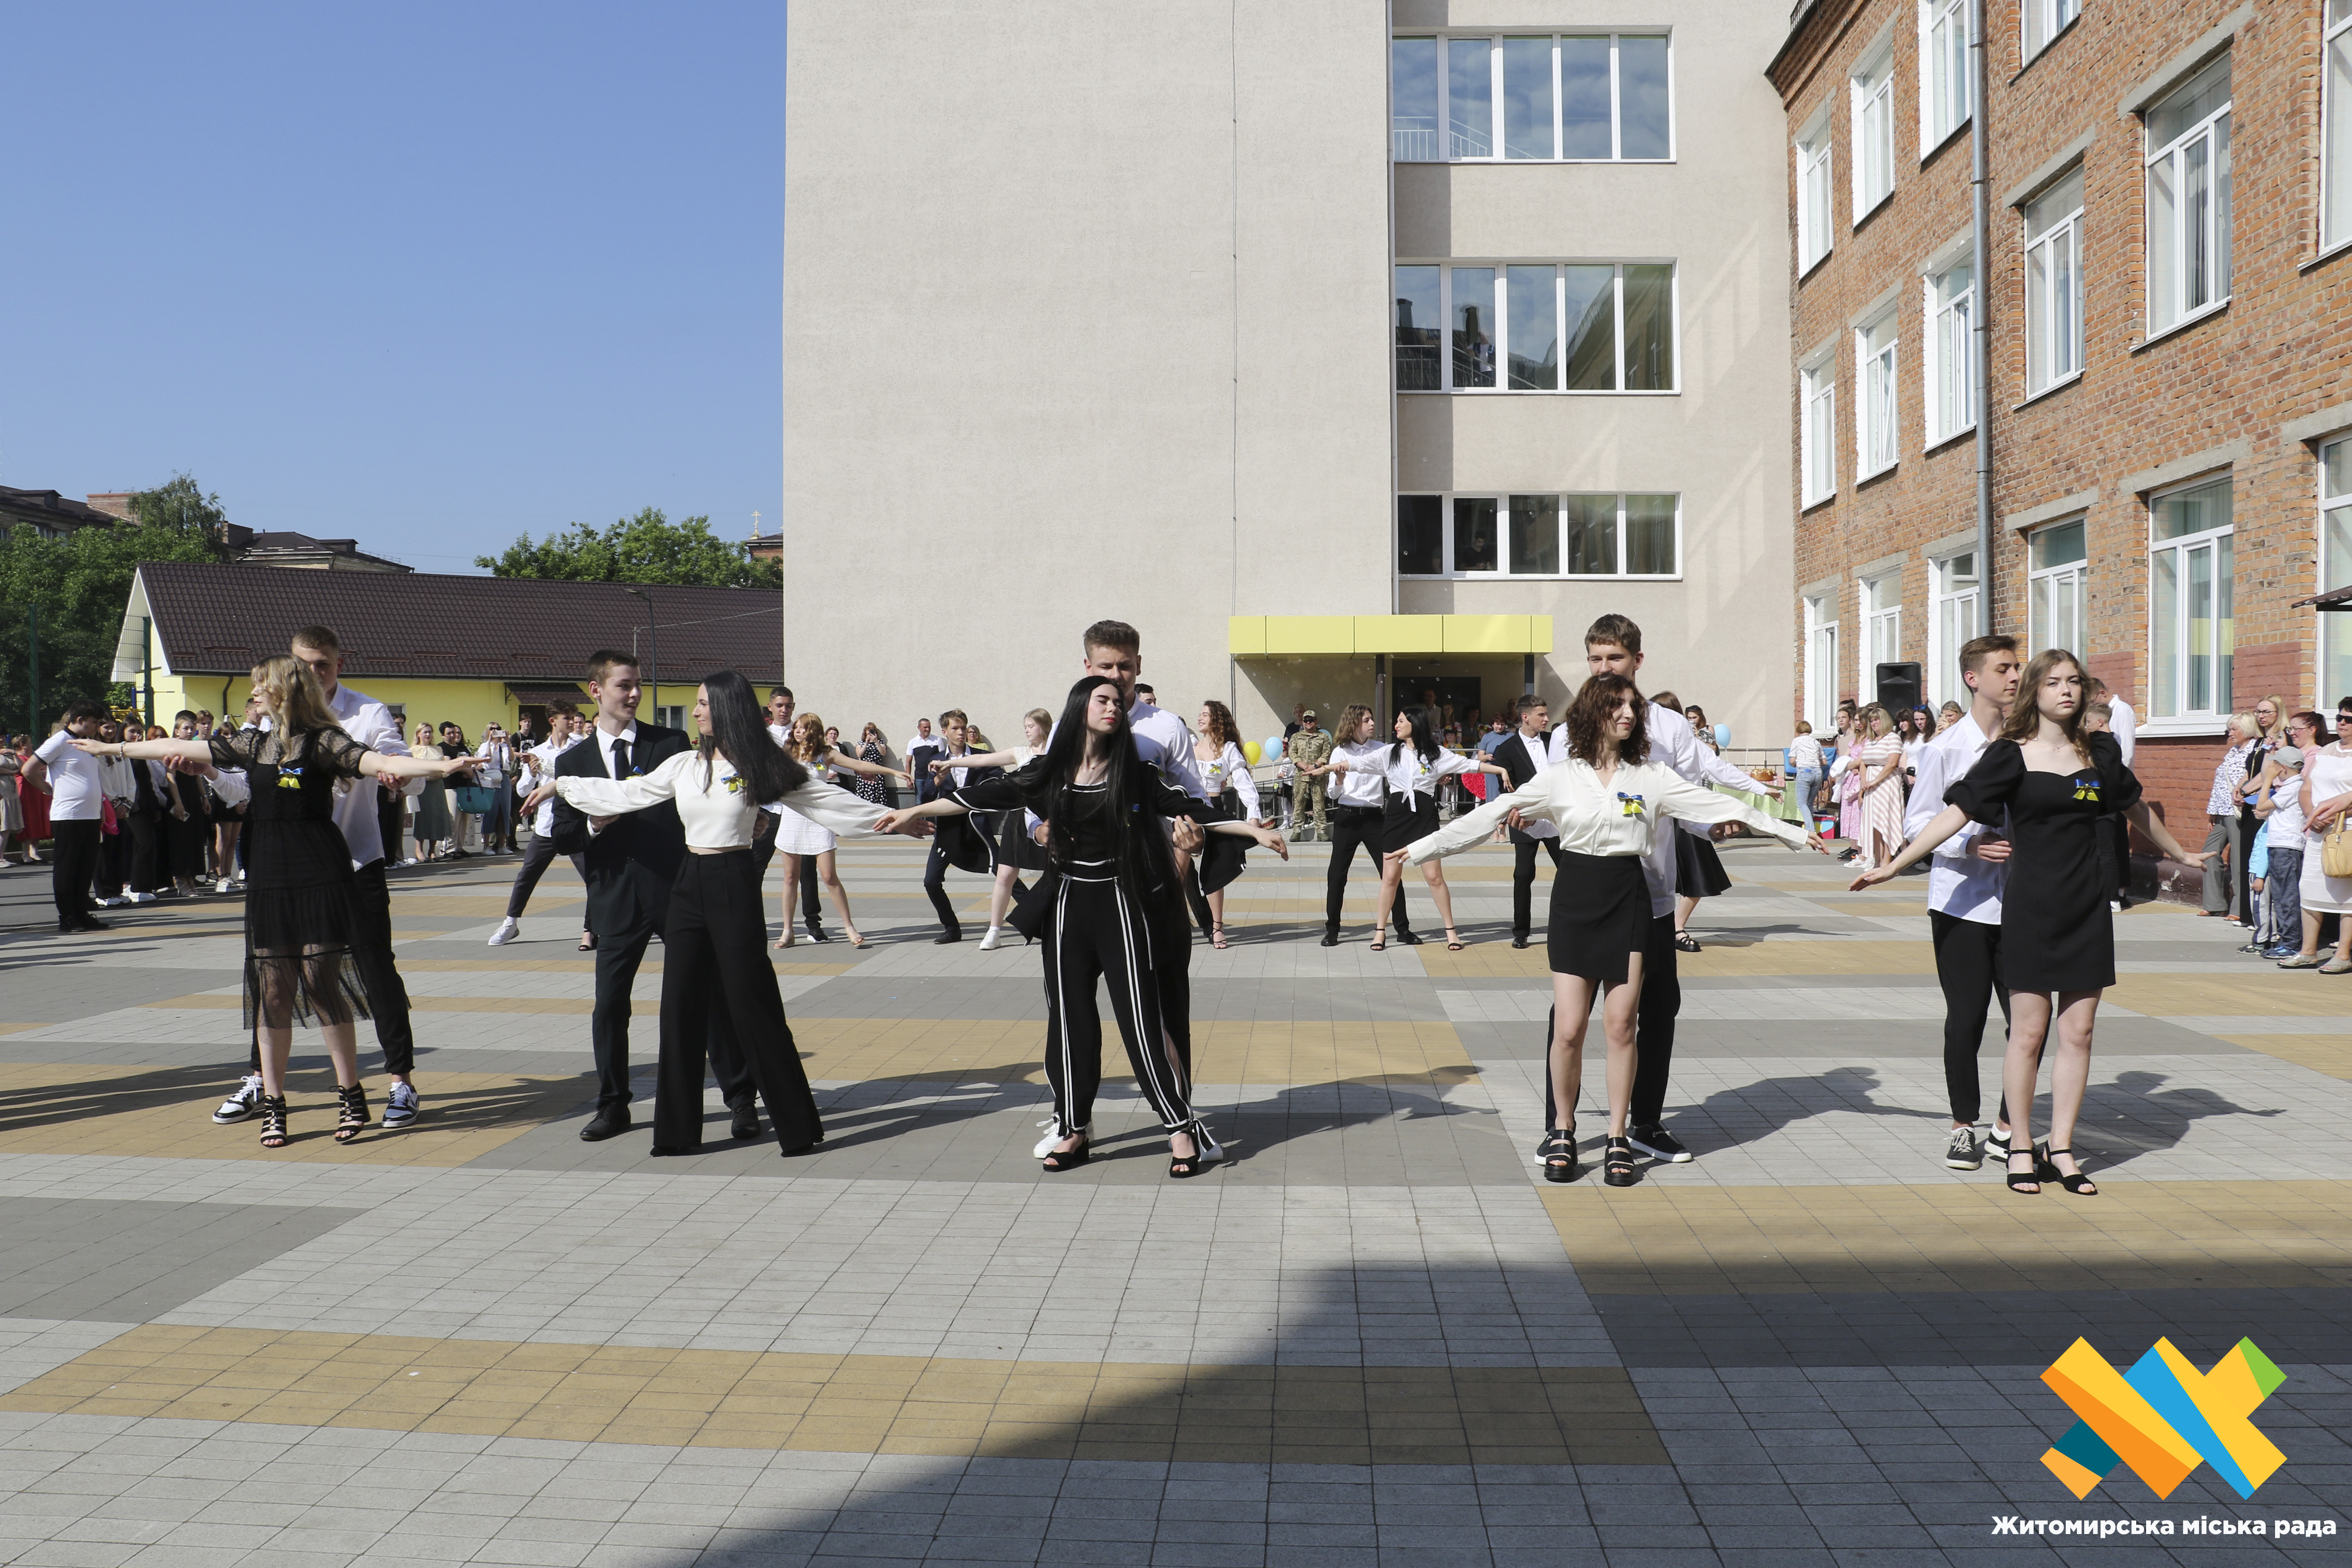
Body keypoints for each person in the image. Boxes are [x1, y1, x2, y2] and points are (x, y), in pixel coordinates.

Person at [1416, 673, 1822, 1186]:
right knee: (1568, 1029)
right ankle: (1562, 1129)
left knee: (1620, 1027)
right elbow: (1496, 811)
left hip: (1629, 897)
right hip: (1576, 897)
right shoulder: (1561, 775)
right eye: (1618, 706)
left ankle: (1616, 1136)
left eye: (1633, 706)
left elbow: (1723, 806)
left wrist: (1792, 833)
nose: (1629, 713)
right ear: (1593, 714)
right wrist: (1423, 849)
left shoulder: (1652, 776)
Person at [875, 675, 1284, 1177]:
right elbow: (986, 795)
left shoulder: (1134, 771)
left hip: (1121, 902)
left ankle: (1180, 1130)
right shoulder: (1052, 768)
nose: (1115, 707)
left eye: (1119, 701)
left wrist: (1251, 832)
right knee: (1071, 1022)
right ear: (1080, 709)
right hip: (1068, 905)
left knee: (1140, 1021)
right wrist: (914, 809)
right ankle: (1072, 1128)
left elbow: (1192, 808)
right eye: (1104, 700)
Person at [1852, 649, 2211, 1196]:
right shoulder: (2009, 755)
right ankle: (2021, 1145)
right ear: (2035, 693)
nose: (2067, 691)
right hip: (2030, 907)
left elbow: (2134, 807)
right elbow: (1955, 814)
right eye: (2054, 683)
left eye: (2075, 682)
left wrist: (2180, 853)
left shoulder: (2099, 752)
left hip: (2087, 905)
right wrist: (1895, 865)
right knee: (2028, 1034)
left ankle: (2061, 1148)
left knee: (2080, 1032)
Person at [98, 658, 477, 1146]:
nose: (253, 695)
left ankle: (351, 1093)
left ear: (282, 692)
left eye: (260, 687)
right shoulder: (253, 742)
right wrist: (110, 747)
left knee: (321, 984)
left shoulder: (325, 741)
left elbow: (383, 763)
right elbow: (175, 745)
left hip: (321, 869)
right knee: (272, 989)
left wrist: (442, 764)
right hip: (270, 875)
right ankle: (274, 1102)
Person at [533, 672, 903, 1156]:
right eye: (697, 704)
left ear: (727, 708)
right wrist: (563, 785)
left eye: (705, 703)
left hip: (733, 883)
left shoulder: (760, 764)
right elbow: (629, 795)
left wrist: (899, 821)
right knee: (680, 1008)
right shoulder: (683, 763)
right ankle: (678, 1136)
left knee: (753, 1005)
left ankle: (794, 1127)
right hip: (686, 885)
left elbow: (823, 800)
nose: (697, 711)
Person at [553, 652, 773, 1143]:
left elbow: (717, 799)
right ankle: (613, 1105)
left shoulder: (671, 744)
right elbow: (564, 835)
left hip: (680, 892)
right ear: (596, 692)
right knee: (610, 1006)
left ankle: (741, 1100)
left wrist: (751, 820)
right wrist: (593, 822)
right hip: (615, 900)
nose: (633, 695)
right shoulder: (573, 762)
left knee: (715, 999)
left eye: (637, 686)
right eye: (623, 686)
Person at [1905, 634, 2023, 1172]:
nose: (2015, 677)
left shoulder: (2032, 743)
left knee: (2026, 1021)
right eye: (2003, 668)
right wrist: (1967, 842)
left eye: (2019, 667)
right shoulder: (1943, 749)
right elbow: (1916, 823)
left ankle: (2006, 1126)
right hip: (1962, 904)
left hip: (2023, 903)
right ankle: (1962, 1126)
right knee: (1967, 1019)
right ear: (1974, 678)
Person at [1316, 705, 1509, 951]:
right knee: (1388, 878)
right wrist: (1326, 768)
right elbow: (1354, 763)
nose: (1395, 726)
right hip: (1394, 816)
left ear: (1414, 724)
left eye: (1400, 721)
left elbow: (1469, 766)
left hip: (1424, 815)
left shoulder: (1436, 753)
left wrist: (1500, 770)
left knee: (1434, 877)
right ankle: (1379, 933)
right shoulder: (1389, 752)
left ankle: (1450, 932)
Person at [1310, 705, 1417, 947]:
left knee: (1391, 873)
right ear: (1354, 723)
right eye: (1367, 720)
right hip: (1347, 818)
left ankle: (1402, 929)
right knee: (1336, 875)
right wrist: (1338, 781)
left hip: (1375, 818)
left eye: (1372, 719)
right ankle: (1332, 929)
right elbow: (1333, 795)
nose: (1372, 724)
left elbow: (1407, 770)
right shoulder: (1340, 752)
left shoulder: (1382, 750)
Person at [488, 700, 592, 949]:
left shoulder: (582, 748)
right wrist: (533, 773)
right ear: (553, 721)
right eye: (566, 718)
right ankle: (511, 923)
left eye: (573, 718)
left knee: (593, 878)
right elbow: (524, 790)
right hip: (547, 826)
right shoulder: (540, 751)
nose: (572, 722)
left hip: (575, 823)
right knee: (527, 876)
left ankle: (591, 930)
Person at [950, 708, 1054, 949]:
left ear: (1044, 727)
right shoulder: (1021, 753)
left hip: (1050, 821)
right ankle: (994, 931)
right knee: (1005, 875)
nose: (1027, 730)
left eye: (1031, 725)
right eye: (1025, 725)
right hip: (1020, 819)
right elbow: (981, 760)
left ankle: (1054, 926)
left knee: (1057, 875)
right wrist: (949, 762)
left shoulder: (1059, 753)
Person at [774, 712, 879, 948]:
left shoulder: (826, 753)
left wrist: (893, 772)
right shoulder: (786, 752)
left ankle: (850, 927)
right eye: (796, 728)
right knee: (790, 877)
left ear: (813, 730)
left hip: (819, 818)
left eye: (802, 728)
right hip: (793, 817)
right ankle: (788, 931)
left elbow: (858, 764)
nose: (797, 731)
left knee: (829, 876)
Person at [24, 702, 110, 931]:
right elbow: (29, 769)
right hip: (69, 815)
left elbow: (92, 778)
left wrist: (100, 808)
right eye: (94, 722)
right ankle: (67, 916)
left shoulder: (88, 745)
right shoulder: (59, 741)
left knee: (85, 867)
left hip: (90, 814)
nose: (97, 727)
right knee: (67, 867)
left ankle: (82, 913)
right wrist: (47, 789)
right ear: (80, 720)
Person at [1489, 695, 1563, 950]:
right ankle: (1521, 931)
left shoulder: (1554, 742)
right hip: (1524, 819)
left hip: (1556, 818)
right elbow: (1506, 787)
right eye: (1541, 715)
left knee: (1568, 871)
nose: (1546, 719)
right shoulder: (1506, 749)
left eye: (1546, 713)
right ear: (1525, 717)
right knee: (1523, 875)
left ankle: (1565, 926)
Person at [1188, 700, 1262, 949]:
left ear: (1217, 720)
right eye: (1200, 713)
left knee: (1214, 872)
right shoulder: (1188, 747)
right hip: (1187, 813)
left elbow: (1243, 783)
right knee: (1178, 870)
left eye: (1205, 714)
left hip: (1215, 812)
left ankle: (1217, 927)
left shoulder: (1228, 749)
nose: (1200, 718)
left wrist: (1254, 816)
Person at [2285, 712, 2352, 972]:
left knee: (2348, 894)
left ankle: (2344, 954)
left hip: (2347, 831)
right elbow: (2306, 788)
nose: (2343, 723)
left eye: (2350, 719)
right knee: (2310, 888)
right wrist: (2311, 815)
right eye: (2340, 717)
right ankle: (2308, 952)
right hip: (2319, 832)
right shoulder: (2326, 751)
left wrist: (2337, 814)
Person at [2256, 723, 2317, 960]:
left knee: (2287, 896)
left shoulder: (2293, 787)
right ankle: (2287, 939)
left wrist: (2267, 780)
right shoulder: (2291, 786)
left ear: (2283, 768)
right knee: (2282, 895)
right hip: (2280, 845)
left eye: (2275, 765)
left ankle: (2291, 942)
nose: (2271, 768)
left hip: (2287, 847)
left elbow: (2261, 807)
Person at [2198, 715, 2257, 921]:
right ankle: (2214, 904)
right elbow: (2220, 784)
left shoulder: (2254, 751)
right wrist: (2211, 812)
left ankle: (2240, 908)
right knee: (2209, 853)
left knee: (2239, 858)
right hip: (2221, 811)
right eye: (2229, 730)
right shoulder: (2233, 752)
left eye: (2234, 730)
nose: (2230, 734)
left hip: (2237, 812)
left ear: (2247, 729)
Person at [1854, 704, 1907, 871]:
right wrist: (1864, 782)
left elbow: (1892, 763)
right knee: (1873, 823)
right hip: (1870, 785)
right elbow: (1863, 762)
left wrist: (1875, 781)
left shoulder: (1893, 738)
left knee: (1886, 821)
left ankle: (1887, 860)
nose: (1874, 723)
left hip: (1887, 784)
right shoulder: (1870, 741)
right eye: (1871, 720)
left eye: (1876, 720)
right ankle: (1877, 859)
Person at [1287, 710, 1332, 841]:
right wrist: (1304, 766)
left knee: (1319, 804)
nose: (1308, 723)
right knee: (1299, 803)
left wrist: (1315, 766)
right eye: (1306, 721)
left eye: (1311, 720)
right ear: (1303, 722)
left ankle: (1322, 831)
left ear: (1316, 722)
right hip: (1301, 776)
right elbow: (1292, 753)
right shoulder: (1296, 737)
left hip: (1318, 777)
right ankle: (1297, 831)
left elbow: (1326, 754)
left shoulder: (1323, 737)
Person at [410, 723, 451, 860]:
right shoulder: (413, 750)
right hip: (421, 786)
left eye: (430, 732)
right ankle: (419, 849)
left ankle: (432, 850)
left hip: (437, 786)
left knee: (436, 816)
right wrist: (427, 777)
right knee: (423, 816)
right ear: (418, 734)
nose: (428, 735)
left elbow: (444, 767)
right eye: (425, 732)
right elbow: (412, 769)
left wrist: (441, 775)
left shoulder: (438, 749)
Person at [1787, 720, 1824, 824]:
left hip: (1805, 772)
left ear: (1799, 730)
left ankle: (1810, 830)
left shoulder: (1797, 741)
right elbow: (1824, 762)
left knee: (1802, 803)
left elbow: (1792, 761)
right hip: (1818, 772)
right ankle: (1810, 828)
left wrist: (1794, 764)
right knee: (1809, 804)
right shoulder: (1816, 742)